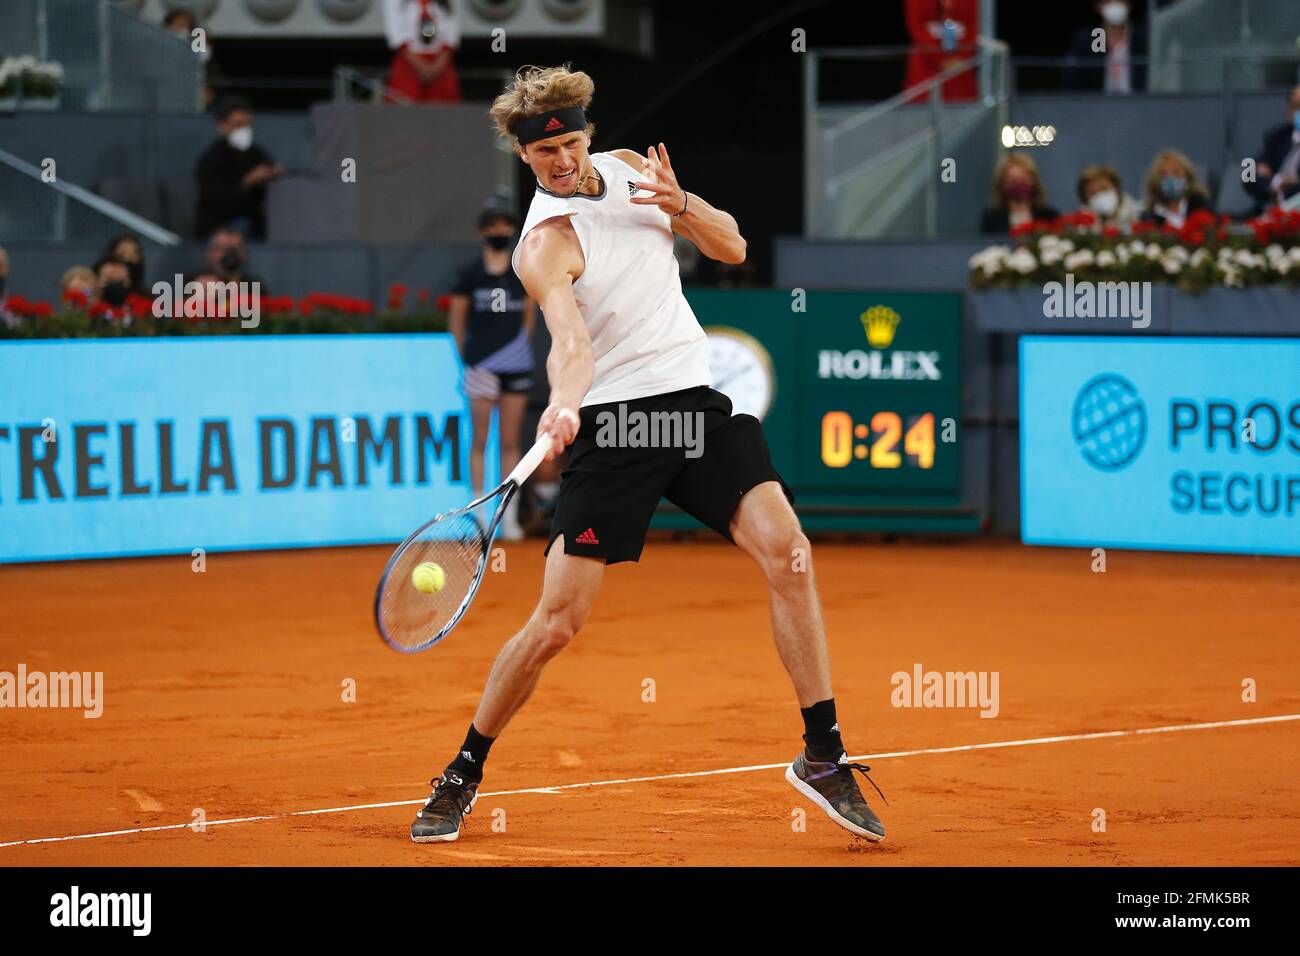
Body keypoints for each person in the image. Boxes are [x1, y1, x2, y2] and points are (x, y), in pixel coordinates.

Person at [409, 64, 887, 846]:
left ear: (588, 134)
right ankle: (463, 770)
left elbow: (730, 248)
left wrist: (683, 203)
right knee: (558, 622)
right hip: (618, 427)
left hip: (694, 408)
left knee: (790, 552)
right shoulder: (545, 243)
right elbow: (568, 341)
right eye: (542, 155)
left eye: (567, 143)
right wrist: (563, 405)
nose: (559, 162)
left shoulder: (636, 170)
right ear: (524, 159)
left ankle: (822, 754)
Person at [449, 208, 537, 541]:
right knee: (481, 438)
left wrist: (518, 350)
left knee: (510, 441)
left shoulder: (521, 272)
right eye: (493, 226)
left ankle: (508, 516)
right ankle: (479, 516)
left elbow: (529, 317)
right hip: (480, 364)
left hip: (515, 364)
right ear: (482, 231)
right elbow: (457, 320)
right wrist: (468, 359)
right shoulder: (470, 274)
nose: (499, 231)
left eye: (505, 226)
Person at [194, 95, 283, 240]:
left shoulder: (255, 153)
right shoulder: (209, 159)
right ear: (221, 125)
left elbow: (271, 166)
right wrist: (248, 181)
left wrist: (275, 172)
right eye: (238, 125)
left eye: (247, 125)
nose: (244, 130)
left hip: (254, 223)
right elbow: (217, 203)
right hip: (217, 227)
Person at [382, 0, 462, 104]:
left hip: (440, 64)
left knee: (443, 109)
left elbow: (451, 35)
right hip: (408, 62)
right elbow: (396, 35)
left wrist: (437, 66)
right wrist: (420, 66)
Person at [903, 0, 979, 103]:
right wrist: (940, 58)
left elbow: (973, 25)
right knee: (923, 104)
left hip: (960, 64)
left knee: (961, 104)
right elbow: (916, 27)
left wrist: (963, 56)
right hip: (926, 61)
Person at [1064, 0, 1148, 94]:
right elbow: (1072, 84)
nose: (1114, 5)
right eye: (1108, 1)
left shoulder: (1146, 39)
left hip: (1138, 105)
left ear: (1129, 4)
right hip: (1096, 106)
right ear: (1098, 6)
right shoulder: (1086, 41)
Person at [1245, 85, 1300, 214]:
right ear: (1289, 111)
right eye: (1296, 106)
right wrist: (1278, 181)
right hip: (1267, 214)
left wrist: (1273, 179)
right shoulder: (1278, 137)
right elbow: (1247, 174)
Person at [980, 152, 1059, 234]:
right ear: (1001, 183)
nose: (1018, 183)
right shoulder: (992, 218)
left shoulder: (1049, 216)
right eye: (1012, 180)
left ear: (1033, 181)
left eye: (1023, 179)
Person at [1139, 149, 1210, 229]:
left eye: (1176, 173)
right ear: (1156, 181)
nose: (1171, 178)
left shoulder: (1202, 207)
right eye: (1164, 175)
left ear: (1187, 178)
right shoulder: (1148, 218)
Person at [1075, 163, 1142, 231]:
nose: (1099, 196)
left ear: (1116, 188)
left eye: (1104, 189)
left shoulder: (1136, 214)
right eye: (1092, 193)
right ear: (1084, 198)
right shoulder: (1081, 226)